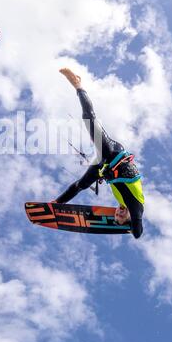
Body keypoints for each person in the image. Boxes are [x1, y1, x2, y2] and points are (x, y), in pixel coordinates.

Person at [54, 68, 144, 239]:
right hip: (114, 154)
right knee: (89, 118)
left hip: (105, 166)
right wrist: (130, 228)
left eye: (116, 215)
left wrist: (56, 206)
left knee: (81, 185)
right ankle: (78, 84)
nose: (118, 213)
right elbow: (138, 233)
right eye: (121, 217)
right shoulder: (137, 207)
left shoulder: (120, 200)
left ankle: (57, 202)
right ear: (129, 218)